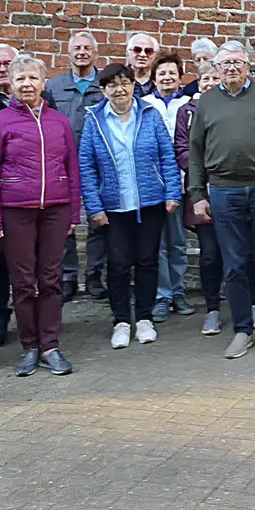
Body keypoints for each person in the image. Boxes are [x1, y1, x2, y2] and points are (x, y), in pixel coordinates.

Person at [188, 41, 255, 359]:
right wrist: (197, 193)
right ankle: (243, 330)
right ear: (216, 68)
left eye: (238, 62)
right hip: (223, 191)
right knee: (234, 264)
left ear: (248, 67)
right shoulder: (207, 102)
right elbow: (195, 150)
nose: (232, 68)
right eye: (226, 63)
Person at [0, 54, 81, 377]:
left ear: (43, 82)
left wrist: (73, 212)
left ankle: (50, 345)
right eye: (20, 78)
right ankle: (29, 346)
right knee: (23, 281)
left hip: (55, 209)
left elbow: (72, 168)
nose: (27, 84)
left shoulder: (58, 121)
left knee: (51, 279)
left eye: (33, 78)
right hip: (16, 211)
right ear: (10, 82)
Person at [79, 63, 183, 350]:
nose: (120, 89)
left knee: (148, 261)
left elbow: (167, 156)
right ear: (103, 90)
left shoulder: (149, 114)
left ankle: (145, 318)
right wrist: (94, 206)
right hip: (114, 206)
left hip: (150, 202)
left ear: (133, 85)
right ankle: (122, 321)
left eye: (125, 83)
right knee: (119, 264)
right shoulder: (94, 119)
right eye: (112, 85)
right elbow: (86, 166)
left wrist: (172, 192)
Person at [49, 31, 107, 303]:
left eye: (87, 48)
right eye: (77, 48)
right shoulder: (53, 86)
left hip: (99, 163)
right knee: (65, 221)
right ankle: (68, 276)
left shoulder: (105, 84)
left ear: (95, 53)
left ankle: (94, 276)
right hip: (63, 162)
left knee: (98, 219)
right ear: (69, 53)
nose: (82, 52)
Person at [174, 62, 228, 335]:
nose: (210, 83)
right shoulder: (186, 112)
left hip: (231, 189)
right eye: (205, 78)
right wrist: (204, 169)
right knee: (210, 254)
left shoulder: (231, 108)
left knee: (240, 252)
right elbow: (182, 149)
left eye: (215, 78)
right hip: (202, 191)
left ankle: (247, 304)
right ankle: (212, 309)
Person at [142, 52, 193, 319]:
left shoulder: (189, 104)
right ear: (154, 77)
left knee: (178, 241)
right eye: (161, 73)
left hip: (182, 182)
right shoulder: (144, 105)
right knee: (158, 243)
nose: (167, 77)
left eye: (172, 72)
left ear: (180, 76)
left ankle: (179, 290)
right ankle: (162, 294)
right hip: (152, 184)